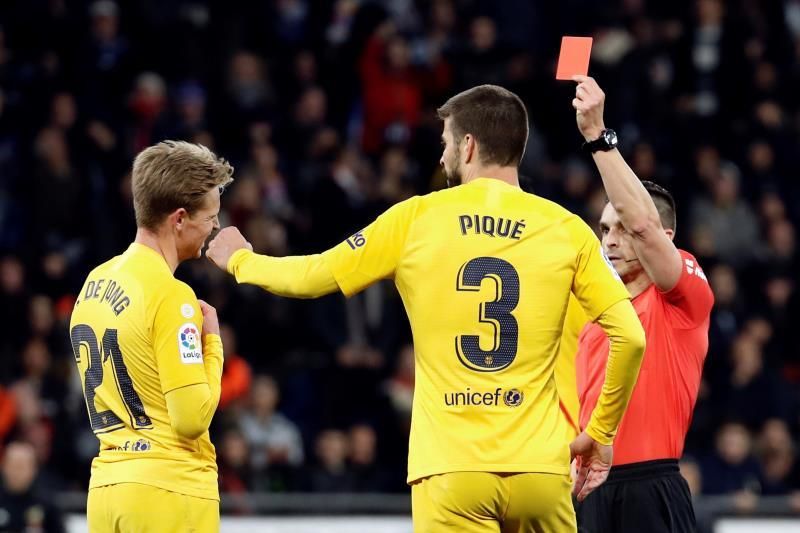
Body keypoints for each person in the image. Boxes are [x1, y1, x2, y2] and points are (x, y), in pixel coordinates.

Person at [207, 84, 647, 532]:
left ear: (468, 145)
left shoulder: (415, 219)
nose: (442, 157)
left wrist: (241, 260)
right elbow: (630, 338)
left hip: (451, 469)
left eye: (445, 143)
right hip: (540, 468)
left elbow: (311, 276)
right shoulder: (567, 228)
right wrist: (601, 434)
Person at [571, 76, 714, 533]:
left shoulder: (683, 296)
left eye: (622, 229)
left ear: (666, 238)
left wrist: (598, 136)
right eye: (604, 228)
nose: (610, 240)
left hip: (651, 488)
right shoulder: (592, 312)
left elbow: (645, 226)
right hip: (588, 491)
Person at [69, 141, 232, 532]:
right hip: (168, 492)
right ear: (179, 219)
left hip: (108, 488)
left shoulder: (95, 281)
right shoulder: (172, 297)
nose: (215, 228)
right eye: (210, 217)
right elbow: (191, 419)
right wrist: (214, 345)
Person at [0, 441, 65, 533]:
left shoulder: (46, 505)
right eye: (12, 465)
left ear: (33, 469)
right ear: (3, 467)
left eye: (21, 467)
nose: (16, 472)